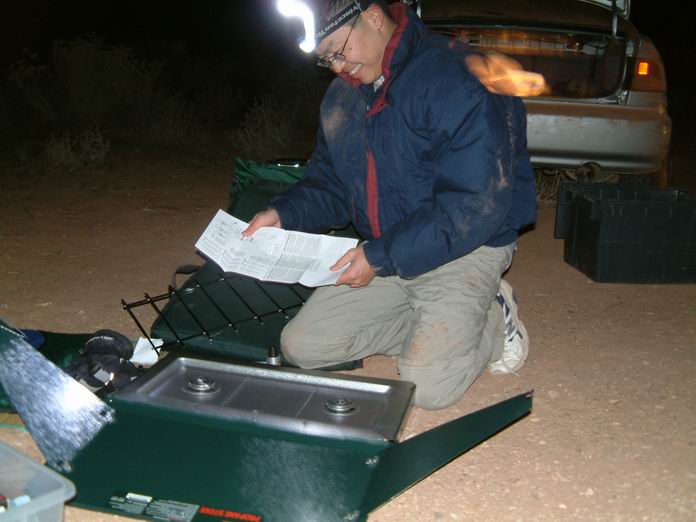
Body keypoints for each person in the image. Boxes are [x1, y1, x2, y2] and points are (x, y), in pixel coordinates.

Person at [243, 0, 536, 410]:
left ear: (374, 17)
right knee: (304, 346)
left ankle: (494, 320)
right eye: (326, 59)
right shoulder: (342, 98)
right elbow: (332, 183)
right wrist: (284, 213)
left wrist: (378, 256)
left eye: (339, 50)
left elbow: (475, 204)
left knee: (427, 386)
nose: (337, 67)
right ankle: (440, 325)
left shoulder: (458, 77)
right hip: (389, 248)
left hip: (467, 246)